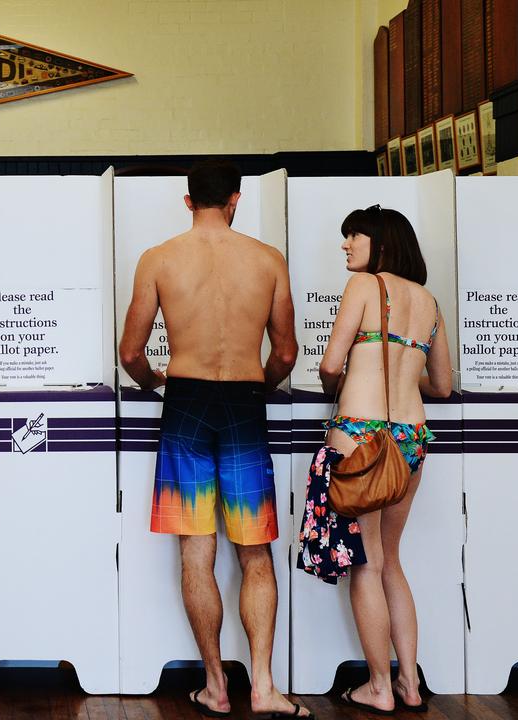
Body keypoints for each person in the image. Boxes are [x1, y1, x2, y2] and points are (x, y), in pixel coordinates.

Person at [119, 159, 308, 718]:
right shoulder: (268, 260)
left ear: (186, 200)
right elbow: (288, 353)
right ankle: (266, 687)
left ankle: (216, 686)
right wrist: (260, 385)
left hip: (186, 406)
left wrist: (156, 381)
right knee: (256, 553)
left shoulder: (158, 259)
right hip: (245, 406)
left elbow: (130, 352)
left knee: (196, 552)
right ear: (235, 198)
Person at [319, 206, 452, 714]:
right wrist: (400, 365)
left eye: (354, 235)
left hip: (360, 433)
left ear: (382, 242)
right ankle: (410, 685)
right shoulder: (429, 301)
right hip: (411, 438)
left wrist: (349, 374)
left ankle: (377, 687)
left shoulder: (363, 288)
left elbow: (331, 364)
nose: (346, 244)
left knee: (367, 563)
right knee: (392, 560)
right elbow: (441, 384)